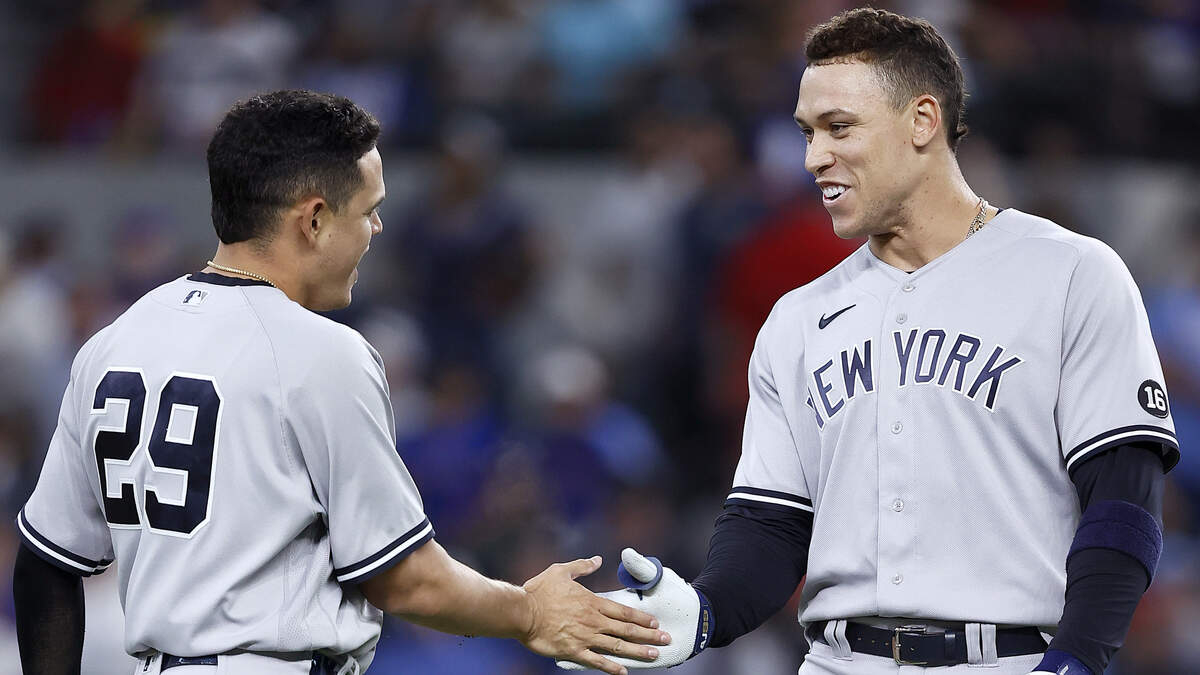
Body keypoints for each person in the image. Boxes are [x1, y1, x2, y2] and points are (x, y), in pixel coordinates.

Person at [563, 8, 1180, 675]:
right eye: (807, 132)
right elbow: (770, 523)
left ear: (922, 121)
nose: (813, 157)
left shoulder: (1071, 274)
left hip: (1009, 658)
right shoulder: (798, 318)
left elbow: (1123, 503)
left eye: (839, 127)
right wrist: (705, 609)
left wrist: (1078, 658)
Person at [12, 90, 669, 675]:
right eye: (368, 210)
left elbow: (46, 564)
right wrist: (529, 610)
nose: (377, 228)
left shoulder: (115, 340)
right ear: (315, 219)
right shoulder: (321, 352)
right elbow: (408, 581)